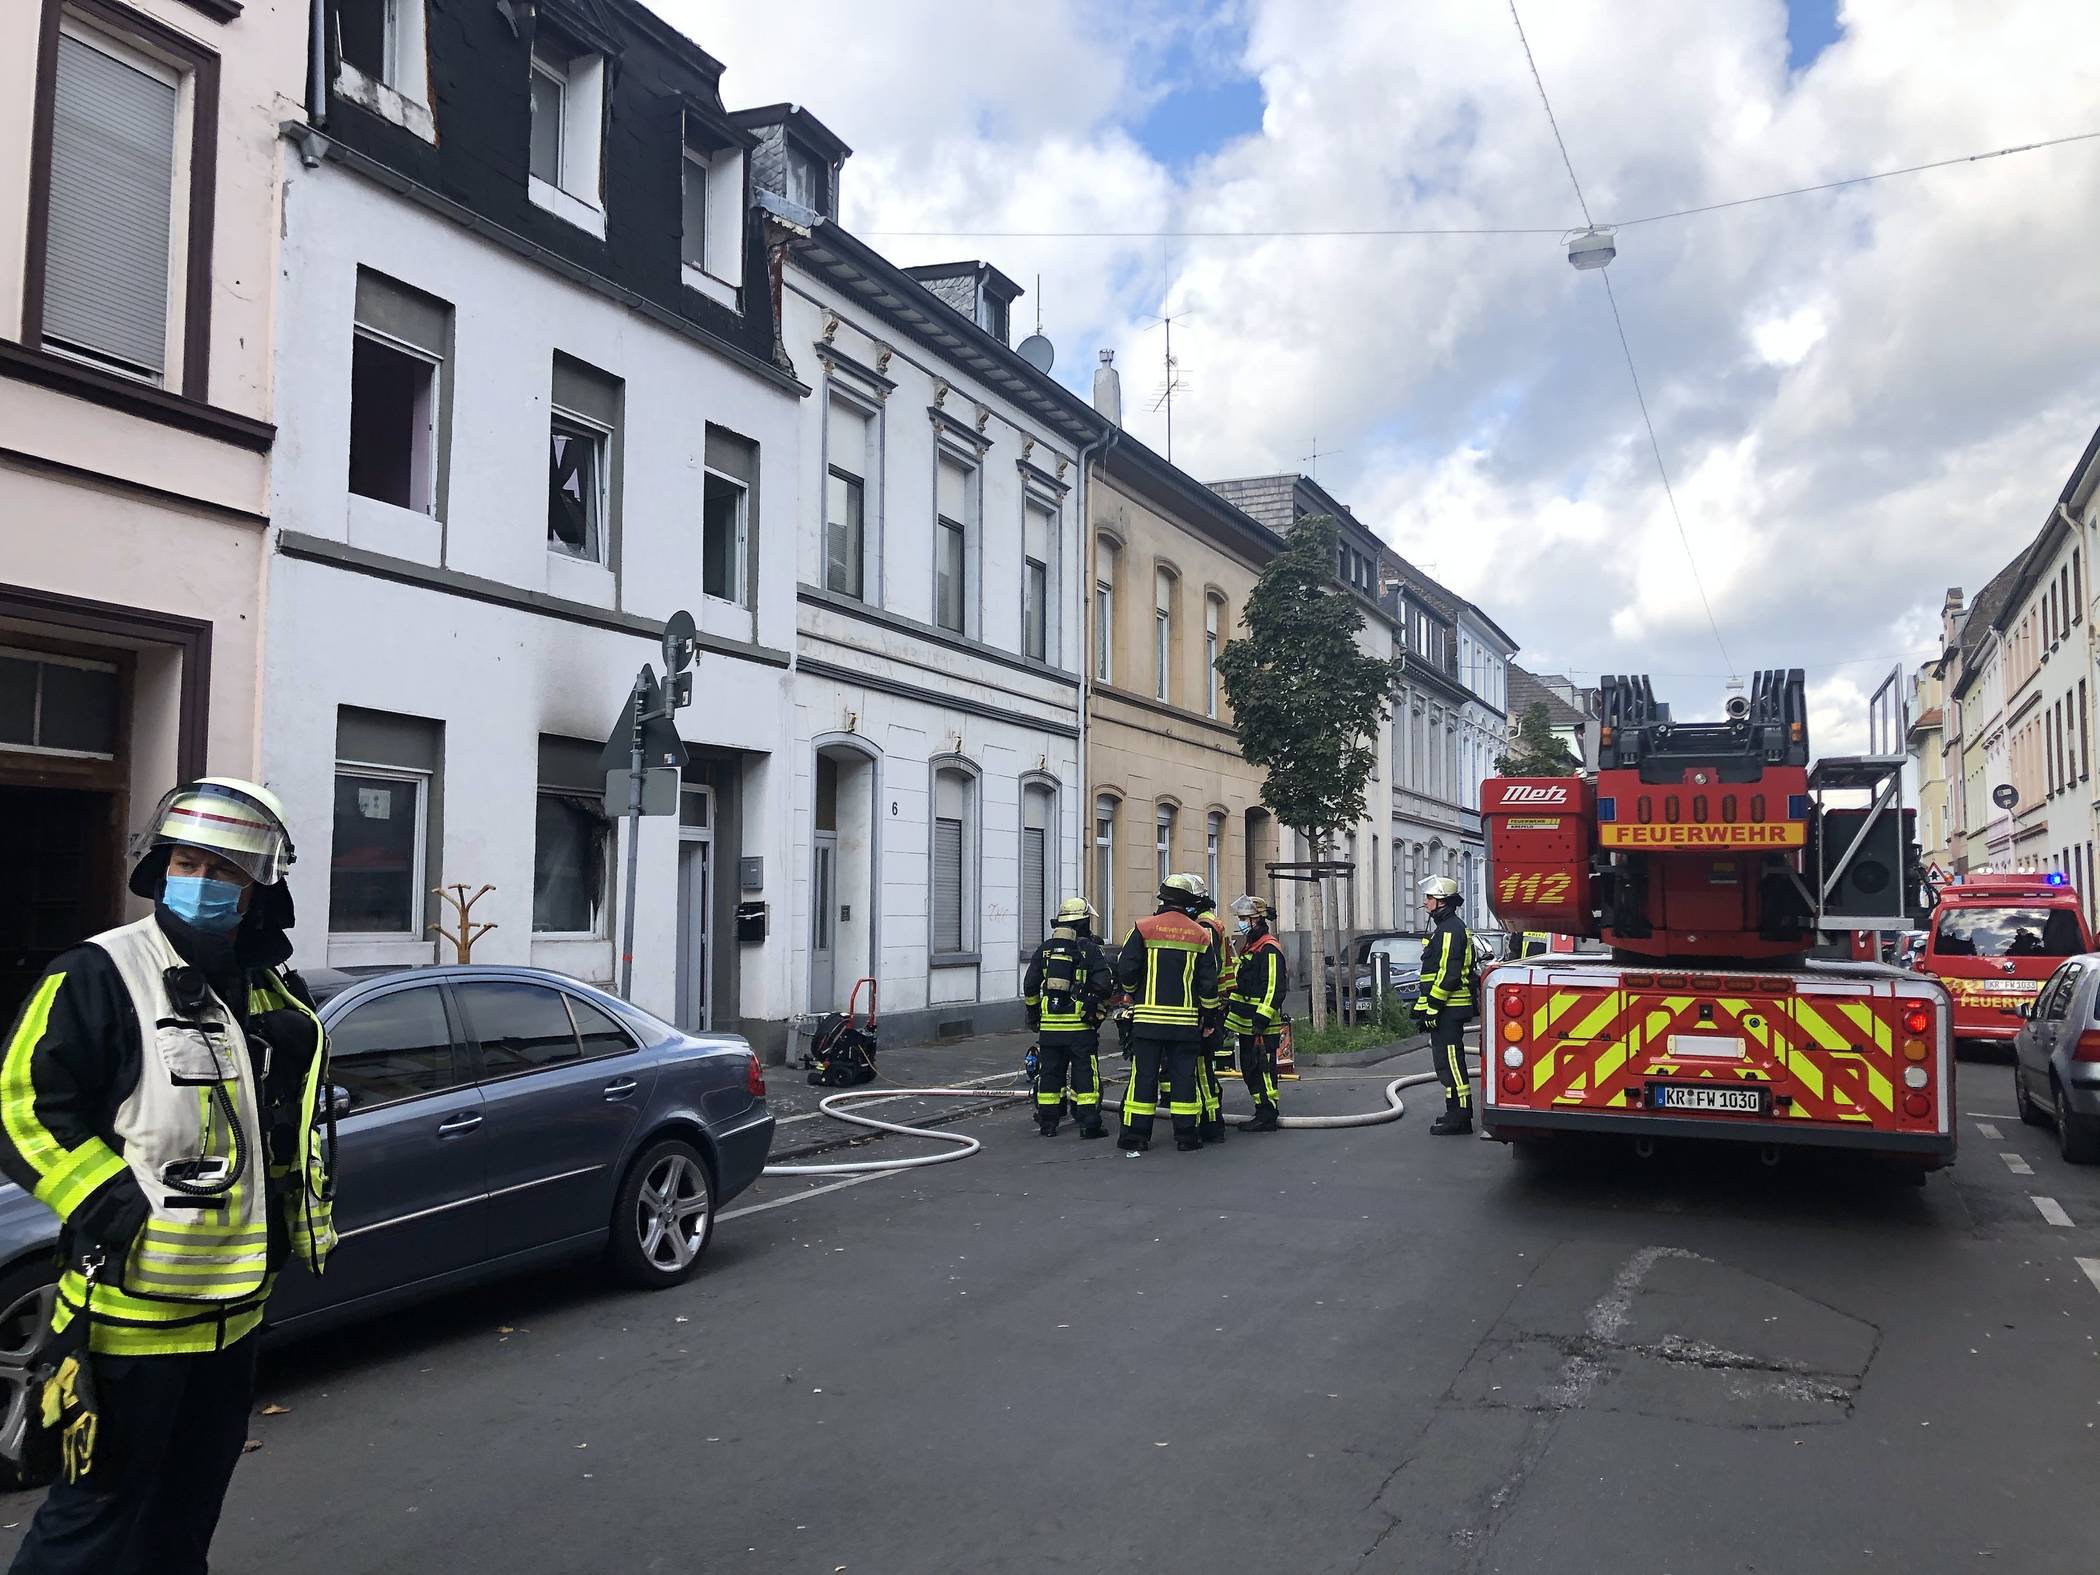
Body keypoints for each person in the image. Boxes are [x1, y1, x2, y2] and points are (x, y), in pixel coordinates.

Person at [0, 778, 335, 1575]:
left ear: (259, 891)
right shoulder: (101, 972)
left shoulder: (267, 991)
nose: (204, 881)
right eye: (188, 861)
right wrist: (110, 1202)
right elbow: (21, 1104)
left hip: (235, 1320)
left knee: (184, 1519)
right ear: (161, 868)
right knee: (91, 1521)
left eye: (225, 870)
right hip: (130, 1322)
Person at [1116, 874, 1220, 1154]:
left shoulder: (1142, 927)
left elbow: (1126, 969)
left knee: (1144, 1076)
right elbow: (1208, 984)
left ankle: (1136, 1136)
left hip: (1148, 1022)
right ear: (1188, 903)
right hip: (1185, 1024)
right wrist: (1209, 1018)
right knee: (1184, 1076)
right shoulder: (1200, 934)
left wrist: (1134, 991)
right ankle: (1187, 1136)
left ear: (1162, 899)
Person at [1021, 897, 1113, 1139]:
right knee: (1085, 1075)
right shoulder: (1090, 950)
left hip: (1050, 1027)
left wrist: (1034, 1016)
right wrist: (1095, 1006)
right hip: (1080, 1027)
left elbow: (1030, 985)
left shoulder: (1045, 949)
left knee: (1050, 1073)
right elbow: (1104, 985)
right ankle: (1089, 1124)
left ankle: (1048, 1123)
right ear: (1083, 922)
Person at [1412, 875, 1478, 1135]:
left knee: (1452, 1062)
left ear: (1441, 902)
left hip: (1449, 1009)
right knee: (1444, 1063)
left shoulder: (1451, 930)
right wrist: (1420, 1007)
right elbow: (1430, 975)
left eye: (1429, 898)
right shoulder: (1446, 928)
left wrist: (1433, 1008)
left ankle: (1461, 1117)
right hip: (1445, 1008)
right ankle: (1453, 1112)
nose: (1426, 902)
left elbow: (1448, 974)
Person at [1224, 895, 1288, 1132]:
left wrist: (1261, 1018)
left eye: (1244, 918)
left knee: (1263, 1069)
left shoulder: (1268, 947)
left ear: (1256, 920)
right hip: (1246, 1022)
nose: (1240, 922)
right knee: (1250, 1068)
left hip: (1262, 1024)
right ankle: (1261, 1109)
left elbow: (1274, 986)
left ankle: (1268, 1113)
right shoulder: (1251, 945)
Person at [1191, 890, 1232, 1145]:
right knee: (1202, 1066)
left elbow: (1207, 969)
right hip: (1215, 1001)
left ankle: (1211, 1122)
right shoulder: (1212, 921)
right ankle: (1210, 1119)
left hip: (1206, 1004)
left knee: (1201, 1068)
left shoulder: (1203, 926)